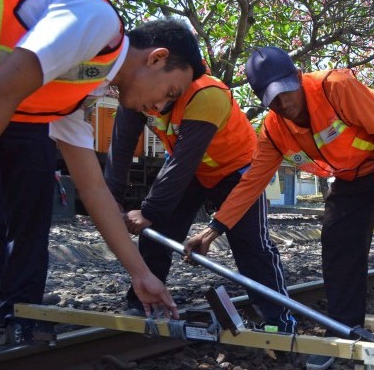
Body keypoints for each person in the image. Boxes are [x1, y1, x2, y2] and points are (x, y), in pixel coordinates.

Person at [0, 0, 205, 370]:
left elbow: (93, 191)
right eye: (168, 93)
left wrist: (141, 274)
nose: (159, 109)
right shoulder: (96, 22)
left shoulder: (75, 91)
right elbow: (2, 88)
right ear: (158, 58)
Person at [185, 46, 374, 370]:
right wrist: (213, 230)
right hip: (350, 175)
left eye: (286, 92)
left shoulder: (335, 86)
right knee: (338, 246)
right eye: (273, 99)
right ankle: (342, 332)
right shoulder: (273, 130)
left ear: (298, 77)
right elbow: (251, 182)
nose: (284, 104)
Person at [104, 72, 297, 333]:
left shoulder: (204, 93)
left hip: (237, 169)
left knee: (252, 245)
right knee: (155, 233)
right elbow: (122, 147)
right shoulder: (136, 90)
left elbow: (185, 160)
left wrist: (149, 210)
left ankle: (278, 321)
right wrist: (111, 200)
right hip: (190, 169)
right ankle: (143, 301)